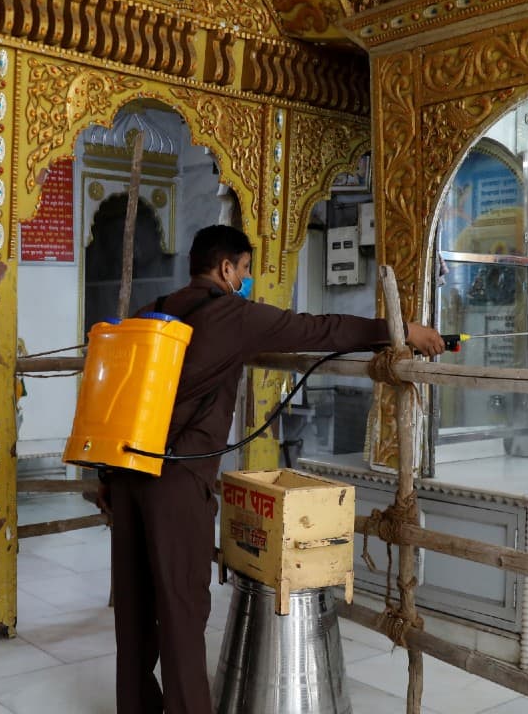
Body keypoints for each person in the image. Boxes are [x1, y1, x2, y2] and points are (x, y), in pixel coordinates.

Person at [97, 224, 445, 714]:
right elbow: (318, 329)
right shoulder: (230, 314)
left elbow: (119, 395)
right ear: (225, 269)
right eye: (243, 271)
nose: (244, 280)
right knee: (180, 607)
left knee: (135, 605)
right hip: (175, 482)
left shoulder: (154, 311)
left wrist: (106, 478)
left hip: (124, 472)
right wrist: (398, 332)